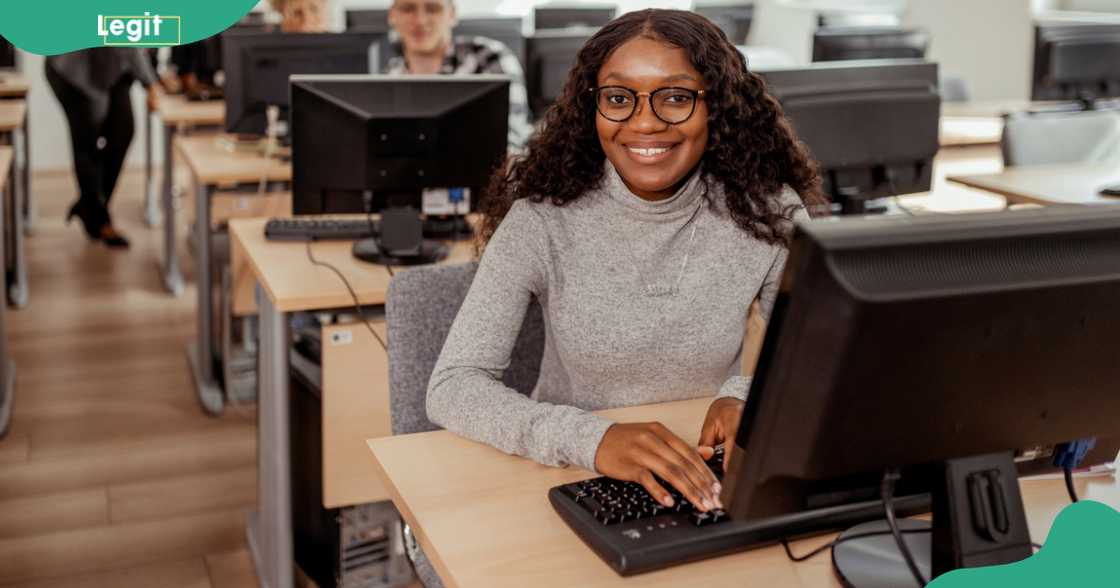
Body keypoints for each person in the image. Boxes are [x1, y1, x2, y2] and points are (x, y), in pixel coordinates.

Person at [427, 9, 824, 513]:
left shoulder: (767, 212)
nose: (644, 122)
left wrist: (747, 394)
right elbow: (453, 386)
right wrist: (592, 438)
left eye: (676, 98)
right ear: (593, 108)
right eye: (619, 99)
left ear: (716, 108)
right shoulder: (542, 218)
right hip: (562, 471)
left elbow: (812, 355)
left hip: (698, 469)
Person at [46, 49, 161, 248]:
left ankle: (89, 206)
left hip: (117, 66)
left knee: (123, 133)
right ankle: (99, 221)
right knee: (86, 143)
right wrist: (150, 84)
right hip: (73, 69)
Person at [386, 0, 533, 150]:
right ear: (392, 15)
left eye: (433, 9)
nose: (420, 20)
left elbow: (512, 137)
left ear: (452, 14)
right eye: (407, 9)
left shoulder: (488, 57)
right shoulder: (390, 76)